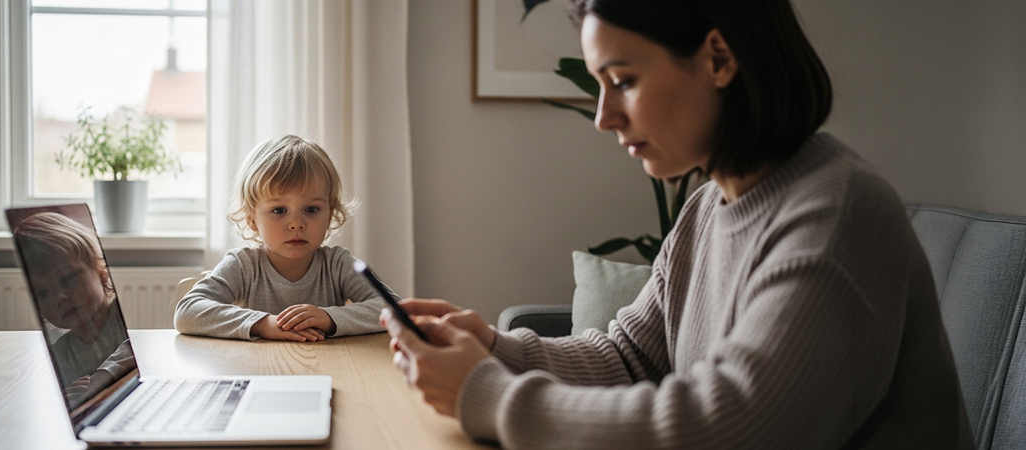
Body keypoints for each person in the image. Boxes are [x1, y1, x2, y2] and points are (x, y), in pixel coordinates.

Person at [381, 0, 973, 448]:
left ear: (719, 58)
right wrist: (492, 348)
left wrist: (487, 395)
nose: (604, 117)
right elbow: (632, 358)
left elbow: (727, 425)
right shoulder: (708, 207)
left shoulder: (838, 213)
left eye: (624, 81)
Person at [175, 134, 396, 342]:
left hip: (327, 369)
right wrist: (262, 324)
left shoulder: (337, 264)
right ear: (252, 219)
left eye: (311, 209)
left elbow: (394, 308)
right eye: (279, 210)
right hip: (257, 369)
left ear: (330, 214)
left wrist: (329, 318)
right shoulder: (243, 266)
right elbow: (187, 311)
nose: (296, 223)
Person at [13, 211, 136, 408]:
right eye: (42, 294)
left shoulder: (128, 316)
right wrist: (63, 398)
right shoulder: (59, 356)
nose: (58, 298)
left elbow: (143, 346)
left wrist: (101, 376)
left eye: (68, 278)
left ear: (102, 274)